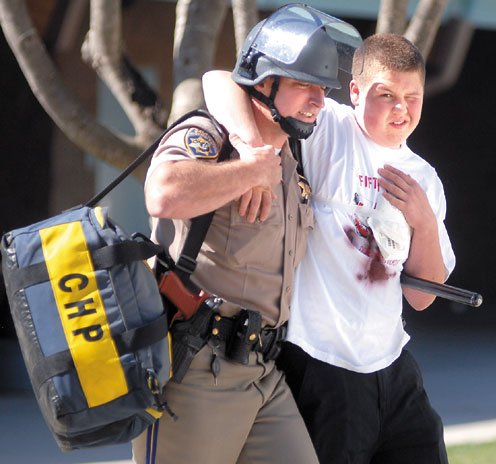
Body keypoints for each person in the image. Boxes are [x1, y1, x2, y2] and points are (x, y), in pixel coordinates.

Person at [203, 32, 456, 464]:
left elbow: (422, 295)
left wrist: (425, 223)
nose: (402, 109)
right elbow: (219, 81)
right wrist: (253, 153)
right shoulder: (330, 129)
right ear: (355, 92)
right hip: (320, 364)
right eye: (386, 94)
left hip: (392, 365)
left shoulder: (425, 179)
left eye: (413, 97)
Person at [132, 5, 361, 464]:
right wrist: (247, 168)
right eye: (302, 84)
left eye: (322, 87)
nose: (318, 99)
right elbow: (162, 194)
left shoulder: (292, 154)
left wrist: (259, 159)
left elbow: (220, 78)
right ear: (264, 84)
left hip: (262, 369)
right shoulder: (210, 135)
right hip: (196, 366)